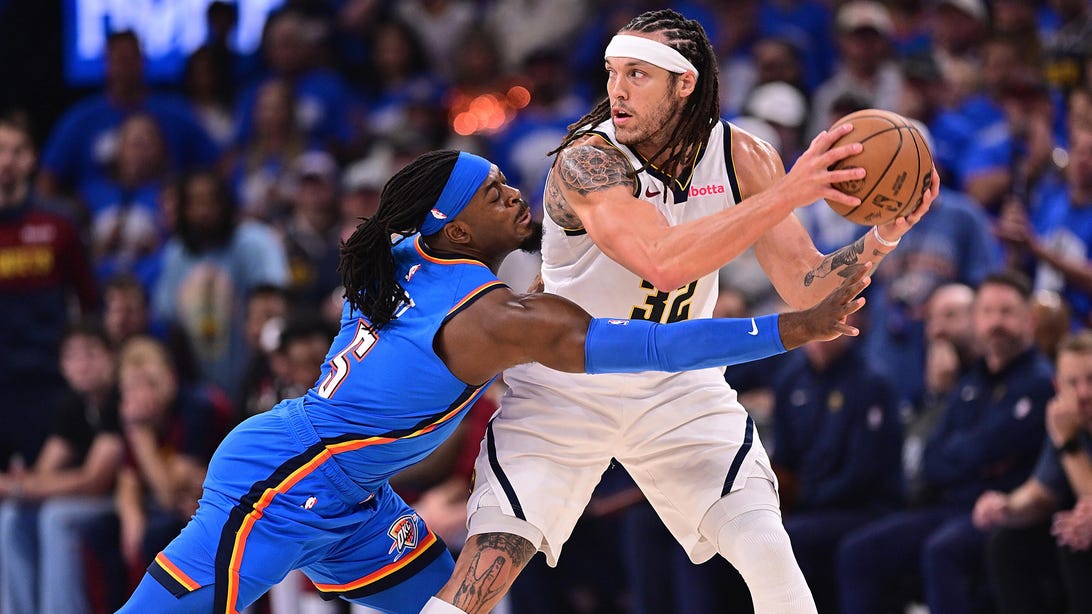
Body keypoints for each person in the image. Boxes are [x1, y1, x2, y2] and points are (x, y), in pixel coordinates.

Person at [117, 149, 872, 613]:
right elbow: (652, 345)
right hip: (280, 484)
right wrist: (788, 328)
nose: (517, 195)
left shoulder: (404, 254)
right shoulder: (491, 319)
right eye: (495, 192)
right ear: (459, 231)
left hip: (356, 498)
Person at [428, 9, 939, 614]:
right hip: (569, 380)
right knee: (488, 570)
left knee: (769, 552)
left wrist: (882, 237)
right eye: (613, 71)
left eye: (638, 74)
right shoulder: (587, 160)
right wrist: (791, 193)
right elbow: (661, 261)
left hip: (677, 384)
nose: (616, 88)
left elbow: (807, 286)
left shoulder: (746, 158)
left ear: (685, 83)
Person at [837, 270, 1055, 614]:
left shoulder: (1040, 383)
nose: (996, 322)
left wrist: (967, 456)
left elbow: (990, 448)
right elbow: (933, 459)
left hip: (1003, 510)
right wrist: (972, 458)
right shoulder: (969, 382)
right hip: (952, 507)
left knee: (943, 551)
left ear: (1029, 319)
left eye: (1007, 312)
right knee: (859, 551)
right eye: (988, 311)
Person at [0, 320, 124, 614]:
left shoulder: (120, 398)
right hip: (92, 499)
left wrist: (14, 486)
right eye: (72, 356)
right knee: (11, 515)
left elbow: (95, 481)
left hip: (129, 497)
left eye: (90, 354)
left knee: (56, 517)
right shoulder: (73, 405)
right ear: (62, 366)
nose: (82, 364)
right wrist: (20, 488)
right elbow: (44, 471)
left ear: (112, 357)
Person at [973, 330, 1092, 613]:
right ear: (1057, 385)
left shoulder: (1067, 429)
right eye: (1072, 383)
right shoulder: (1067, 420)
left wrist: (1068, 443)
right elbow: (1041, 491)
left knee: (1075, 542)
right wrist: (1007, 505)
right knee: (1007, 542)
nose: (1083, 393)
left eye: (1091, 380)